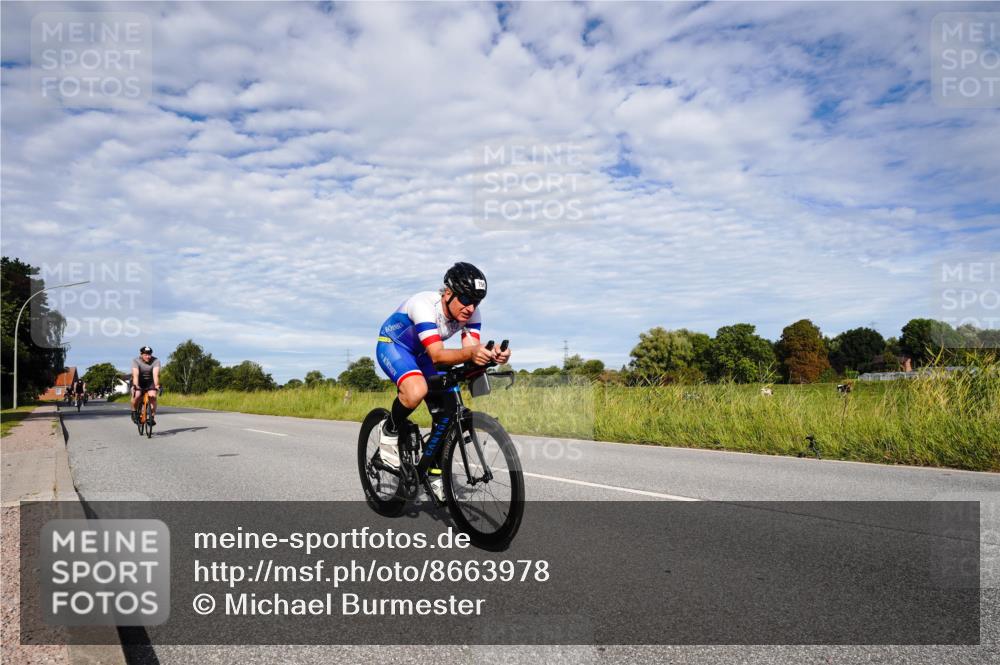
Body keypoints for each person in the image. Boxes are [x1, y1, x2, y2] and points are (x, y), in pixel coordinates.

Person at [375, 262, 511, 500]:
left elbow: (470, 352)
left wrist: (492, 356)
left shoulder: (471, 313)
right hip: (396, 346)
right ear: (448, 293)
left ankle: (435, 473)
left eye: (476, 302)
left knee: (447, 411)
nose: (471, 307)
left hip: (424, 353)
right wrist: (472, 353)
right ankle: (390, 430)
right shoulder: (424, 305)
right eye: (466, 299)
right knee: (417, 390)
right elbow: (438, 355)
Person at [131, 346, 161, 425]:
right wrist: (136, 386)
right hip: (138, 381)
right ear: (141, 354)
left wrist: (157, 385)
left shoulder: (156, 361)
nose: (148, 356)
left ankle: (152, 418)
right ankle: (134, 412)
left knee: (153, 396)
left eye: (149, 354)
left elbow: (155, 374)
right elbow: (135, 375)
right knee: (137, 395)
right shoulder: (136, 361)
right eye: (145, 354)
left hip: (150, 381)